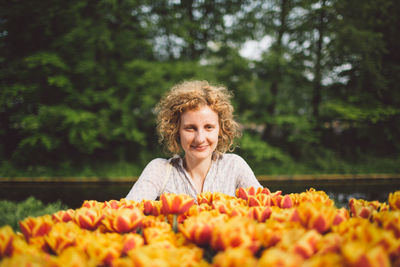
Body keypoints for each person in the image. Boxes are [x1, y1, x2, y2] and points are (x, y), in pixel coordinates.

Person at [125, 80, 262, 201]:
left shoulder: (234, 166)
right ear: (176, 130)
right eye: (190, 128)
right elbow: (127, 212)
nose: (200, 138)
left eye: (209, 127)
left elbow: (266, 206)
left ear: (220, 129)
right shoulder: (159, 169)